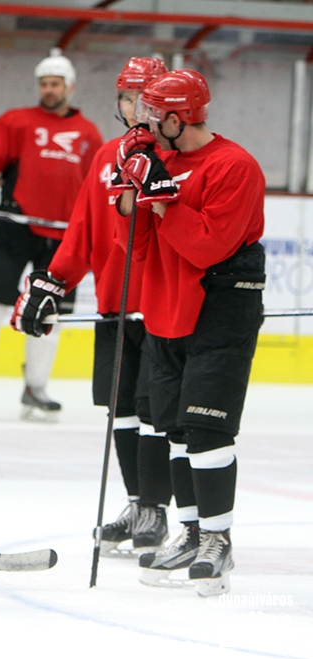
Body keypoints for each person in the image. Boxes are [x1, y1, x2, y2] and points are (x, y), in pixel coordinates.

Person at [11, 57, 173, 557]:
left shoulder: (177, 157)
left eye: (145, 99)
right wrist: (52, 282)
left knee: (154, 410)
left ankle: (157, 508)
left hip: (164, 308)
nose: (135, 108)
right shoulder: (107, 156)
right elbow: (81, 232)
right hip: (114, 303)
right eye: (127, 98)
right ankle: (137, 502)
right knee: (119, 406)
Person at [112, 69, 265, 595]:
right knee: (176, 428)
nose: (146, 122)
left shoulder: (235, 166)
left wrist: (162, 196)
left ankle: (218, 541)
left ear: (180, 118)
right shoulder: (161, 162)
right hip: (167, 305)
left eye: (156, 114)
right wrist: (128, 190)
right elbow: (135, 246)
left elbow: (207, 245)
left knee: (206, 428)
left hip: (221, 308)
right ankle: (192, 533)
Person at [0, 48, 103, 421]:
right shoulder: (16, 122)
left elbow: (97, 185)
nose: (49, 89)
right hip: (15, 229)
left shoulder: (88, 134)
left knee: (49, 315)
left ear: (70, 87)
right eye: (44, 83)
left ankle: (36, 387)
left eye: (56, 83)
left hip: (63, 240)